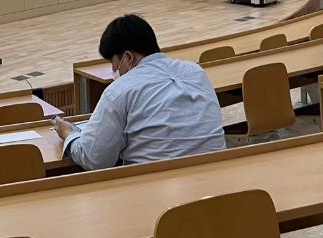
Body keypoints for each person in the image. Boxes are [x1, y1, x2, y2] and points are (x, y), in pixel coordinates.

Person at [53, 14, 224, 169]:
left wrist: (69, 134)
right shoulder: (196, 72)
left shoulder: (119, 90)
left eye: (112, 61)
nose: (113, 69)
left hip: (158, 185)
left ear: (128, 57)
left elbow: (95, 159)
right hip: (217, 175)